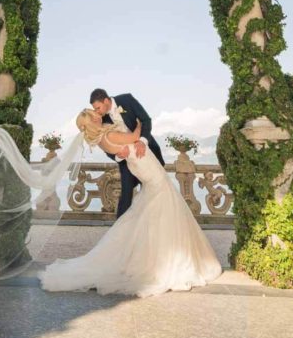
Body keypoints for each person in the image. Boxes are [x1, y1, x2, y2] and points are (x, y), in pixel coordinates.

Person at [38, 108, 221, 297]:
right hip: (146, 167)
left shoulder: (102, 139)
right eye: (94, 114)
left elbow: (123, 147)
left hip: (141, 166)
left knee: (152, 206)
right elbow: (135, 135)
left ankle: (156, 252)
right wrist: (139, 123)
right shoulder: (109, 135)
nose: (97, 114)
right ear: (93, 120)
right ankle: (163, 259)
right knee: (162, 200)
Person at [89, 88, 165, 217]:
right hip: (126, 161)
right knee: (126, 195)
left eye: (98, 108)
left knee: (150, 191)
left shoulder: (127, 100)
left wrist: (142, 141)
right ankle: (119, 232)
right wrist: (117, 156)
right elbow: (106, 146)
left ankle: (150, 224)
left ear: (106, 100)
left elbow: (146, 120)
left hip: (146, 153)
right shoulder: (102, 121)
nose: (97, 112)